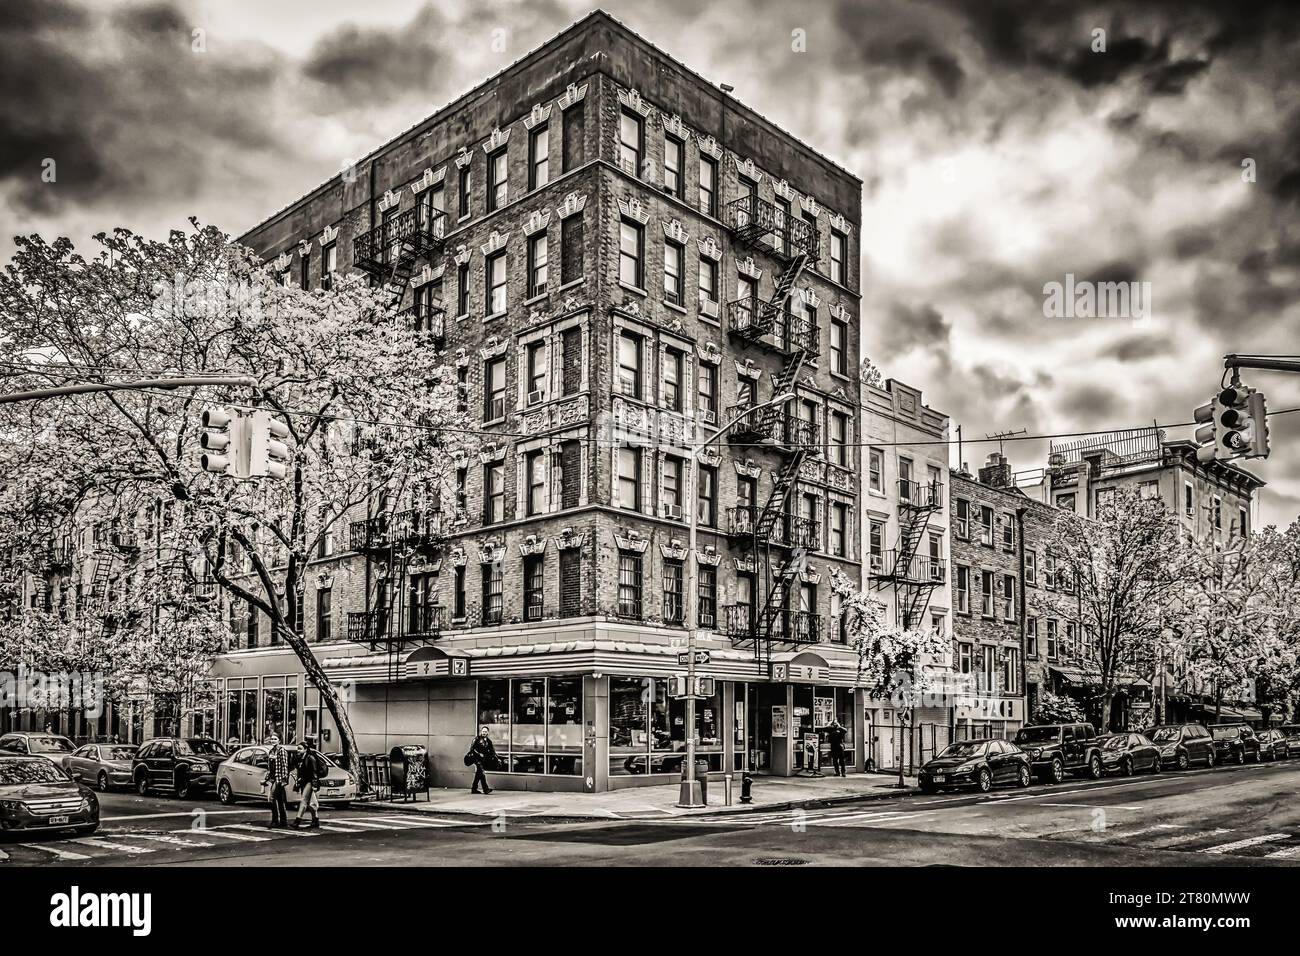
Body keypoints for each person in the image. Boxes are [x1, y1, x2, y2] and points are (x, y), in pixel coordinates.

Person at [292, 736, 326, 829]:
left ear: (305, 749)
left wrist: (314, 785)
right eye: (297, 749)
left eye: (300, 749)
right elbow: (300, 772)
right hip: (304, 782)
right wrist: (298, 782)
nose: (298, 750)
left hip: (310, 782)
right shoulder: (300, 759)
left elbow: (314, 773)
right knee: (312, 804)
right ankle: (315, 820)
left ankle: (297, 821)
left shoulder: (310, 758)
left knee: (303, 800)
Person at [263, 734, 290, 829]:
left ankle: (275, 820)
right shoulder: (271, 751)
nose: (273, 740)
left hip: (279, 779)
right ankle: (283, 821)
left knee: (271, 798)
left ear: (279, 740)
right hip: (273, 778)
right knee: (279, 800)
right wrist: (266, 779)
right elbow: (269, 768)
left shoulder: (282, 751)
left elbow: (285, 766)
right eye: (272, 739)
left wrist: (284, 779)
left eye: (275, 739)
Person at [466, 726, 498, 794]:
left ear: (488, 732)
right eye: (483, 731)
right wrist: (479, 754)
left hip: (483, 759)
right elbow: (472, 749)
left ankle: (474, 789)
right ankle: (485, 789)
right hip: (476, 758)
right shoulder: (477, 739)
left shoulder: (489, 741)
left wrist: (496, 758)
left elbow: (492, 751)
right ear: (481, 731)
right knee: (481, 772)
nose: (484, 733)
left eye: (485, 732)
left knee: (478, 773)